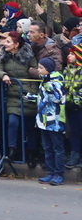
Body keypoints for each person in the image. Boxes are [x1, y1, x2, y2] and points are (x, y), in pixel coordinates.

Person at [0, 30, 39, 163]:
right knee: (13, 122)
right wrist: (3, 75)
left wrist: (33, 94)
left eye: (8, 41)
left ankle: (31, 152)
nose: (4, 44)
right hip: (13, 95)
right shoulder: (4, 57)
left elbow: (35, 73)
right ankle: (12, 149)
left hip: (28, 94)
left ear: (16, 44)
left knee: (30, 126)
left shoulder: (28, 57)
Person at [35, 56, 66, 185]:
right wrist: (30, 97)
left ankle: (59, 174)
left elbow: (57, 98)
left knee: (57, 148)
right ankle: (51, 172)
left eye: (41, 68)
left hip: (55, 121)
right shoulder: (44, 80)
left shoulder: (56, 80)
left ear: (48, 69)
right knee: (47, 148)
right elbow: (44, 98)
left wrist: (48, 84)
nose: (38, 70)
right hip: (43, 120)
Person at [62, 44, 82, 169]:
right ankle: (75, 153)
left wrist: (77, 101)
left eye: (71, 54)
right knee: (74, 131)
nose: (68, 56)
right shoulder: (67, 69)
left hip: (79, 106)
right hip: (70, 106)